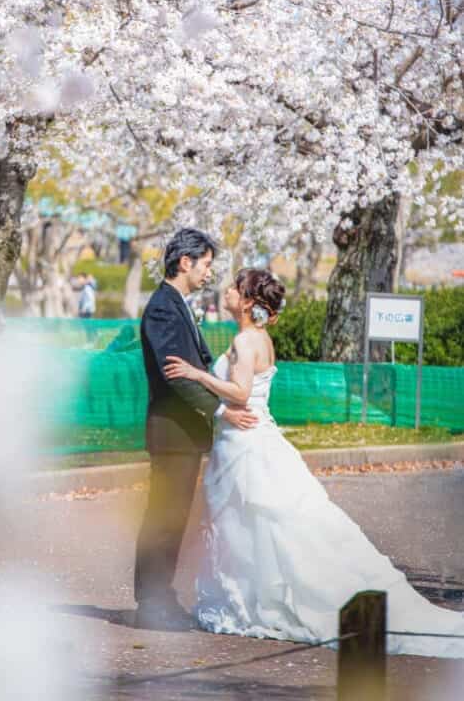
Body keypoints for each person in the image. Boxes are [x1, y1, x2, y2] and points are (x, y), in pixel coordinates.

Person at [165, 268, 464, 658]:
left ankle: (260, 601)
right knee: (252, 525)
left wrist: (196, 375)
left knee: (254, 522)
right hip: (249, 439)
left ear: (249, 301)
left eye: (236, 288)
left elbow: (239, 393)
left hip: (245, 443)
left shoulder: (244, 339)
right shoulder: (261, 339)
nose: (228, 291)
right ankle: (252, 598)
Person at [134, 229, 258, 631]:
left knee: (174, 518)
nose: (209, 273)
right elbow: (177, 376)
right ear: (184, 262)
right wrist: (222, 410)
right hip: (172, 432)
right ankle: (150, 602)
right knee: (163, 517)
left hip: (185, 434)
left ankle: (161, 595)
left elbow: (196, 367)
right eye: (205, 264)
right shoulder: (162, 308)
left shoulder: (178, 305)